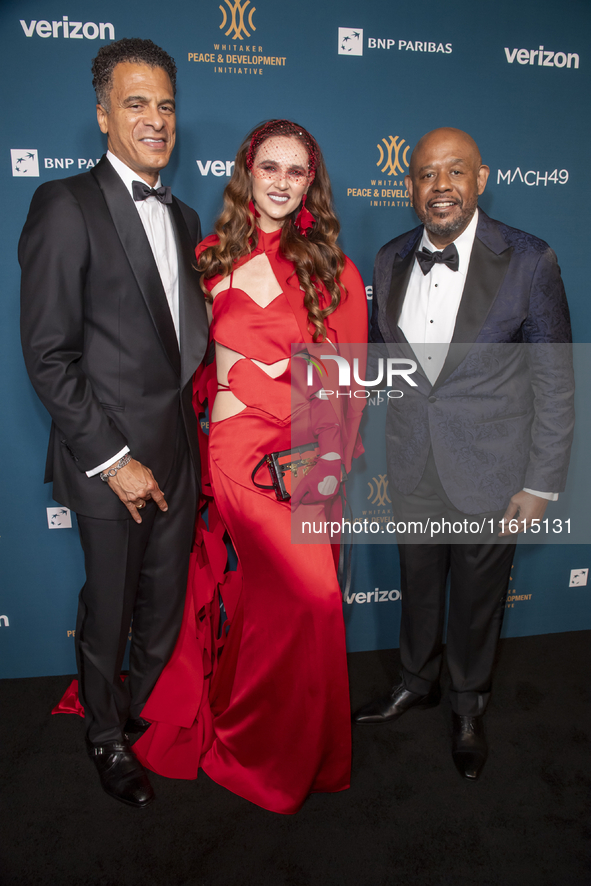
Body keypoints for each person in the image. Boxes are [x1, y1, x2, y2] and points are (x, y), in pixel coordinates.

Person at [134, 119, 368, 814]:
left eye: (296, 172)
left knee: (302, 604)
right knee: (306, 598)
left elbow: (348, 385)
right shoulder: (209, 258)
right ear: (248, 171)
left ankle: (284, 745)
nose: (281, 182)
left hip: (306, 456)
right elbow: (184, 368)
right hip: (238, 453)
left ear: (309, 185)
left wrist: (323, 470)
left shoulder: (334, 267)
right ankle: (252, 744)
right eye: (270, 166)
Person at [19, 38, 208, 807]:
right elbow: (48, 354)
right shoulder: (65, 205)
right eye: (136, 103)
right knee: (108, 606)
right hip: (110, 462)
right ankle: (104, 736)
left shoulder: (187, 213)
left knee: (161, 606)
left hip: (178, 456)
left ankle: (147, 721)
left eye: (164, 104)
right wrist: (111, 459)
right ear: (102, 115)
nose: (155, 119)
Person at [354, 127, 574, 779]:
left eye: (455, 172)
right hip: (413, 460)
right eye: (426, 174)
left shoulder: (529, 260)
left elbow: (555, 380)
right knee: (418, 586)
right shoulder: (389, 258)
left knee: (476, 598)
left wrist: (541, 482)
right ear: (409, 187)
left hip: (491, 466)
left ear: (480, 180)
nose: (440, 186)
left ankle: (467, 701)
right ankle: (414, 681)